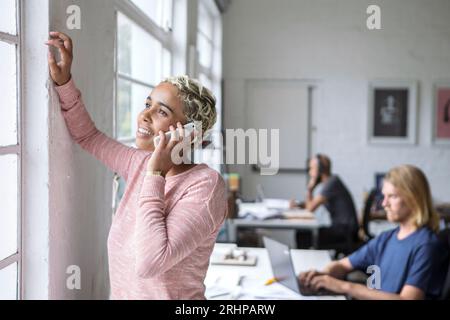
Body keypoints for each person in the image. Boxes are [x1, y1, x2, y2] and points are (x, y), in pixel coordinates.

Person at [46, 32, 227, 299]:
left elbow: (150, 262)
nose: (145, 115)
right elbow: (88, 136)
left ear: (192, 133)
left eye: (162, 112)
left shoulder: (206, 186)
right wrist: (64, 83)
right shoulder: (139, 162)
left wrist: (156, 173)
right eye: (147, 105)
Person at [298, 165, 448, 300]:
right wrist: (323, 275)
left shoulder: (426, 245)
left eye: (392, 196)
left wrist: (343, 287)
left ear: (414, 199)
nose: (384, 204)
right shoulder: (386, 239)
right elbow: (343, 265)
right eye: (384, 196)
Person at [291, 154, 359, 252]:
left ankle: (303, 264)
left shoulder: (332, 183)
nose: (310, 172)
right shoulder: (332, 181)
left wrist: (310, 189)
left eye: (311, 169)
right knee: (303, 234)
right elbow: (310, 205)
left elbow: (310, 209)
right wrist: (299, 205)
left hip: (345, 232)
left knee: (302, 235)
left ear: (320, 170)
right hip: (343, 230)